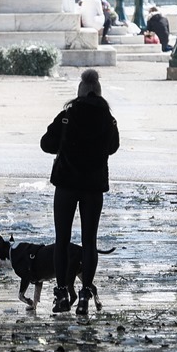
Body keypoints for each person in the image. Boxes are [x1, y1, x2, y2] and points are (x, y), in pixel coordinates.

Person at [40, 68, 121, 316]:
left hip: (66, 184)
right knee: (89, 242)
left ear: (80, 91)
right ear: (98, 91)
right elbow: (113, 147)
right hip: (93, 187)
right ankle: (85, 293)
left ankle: (62, 292)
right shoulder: (107, 119)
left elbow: (46, 144)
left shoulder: (67, 116)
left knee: (62, 240)